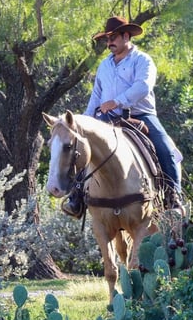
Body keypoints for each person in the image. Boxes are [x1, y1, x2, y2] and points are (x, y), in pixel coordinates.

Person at [62, 16, 183, 217]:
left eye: (114, 37)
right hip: (107, 119)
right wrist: (82, 122)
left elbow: (143, 87)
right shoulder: (104, 66)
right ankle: (76, 198)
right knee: (82, 149)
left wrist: (117, 101)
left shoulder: (142, 60)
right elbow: (96, 96)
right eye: (108, 38)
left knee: (165, 148)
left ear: (126, 35)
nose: (110, 42)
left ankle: (173, 198)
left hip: (141, 115)